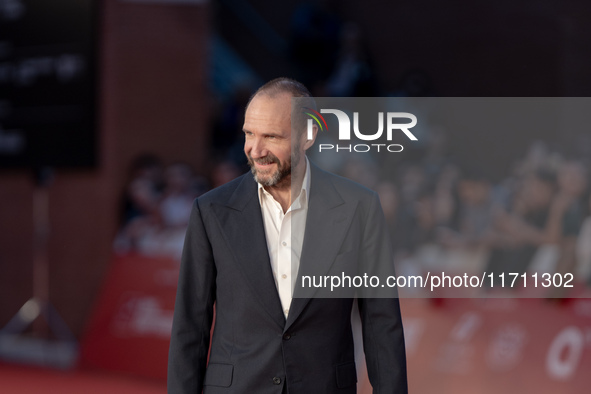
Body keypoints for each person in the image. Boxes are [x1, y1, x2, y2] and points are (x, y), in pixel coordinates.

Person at [168, 78, 407, 394]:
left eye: (271, 136)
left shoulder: (358, 206)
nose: (255, 149)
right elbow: (190, 326)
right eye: (249, 134)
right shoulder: (212, 210)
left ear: (308, 136)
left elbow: (381, 323)